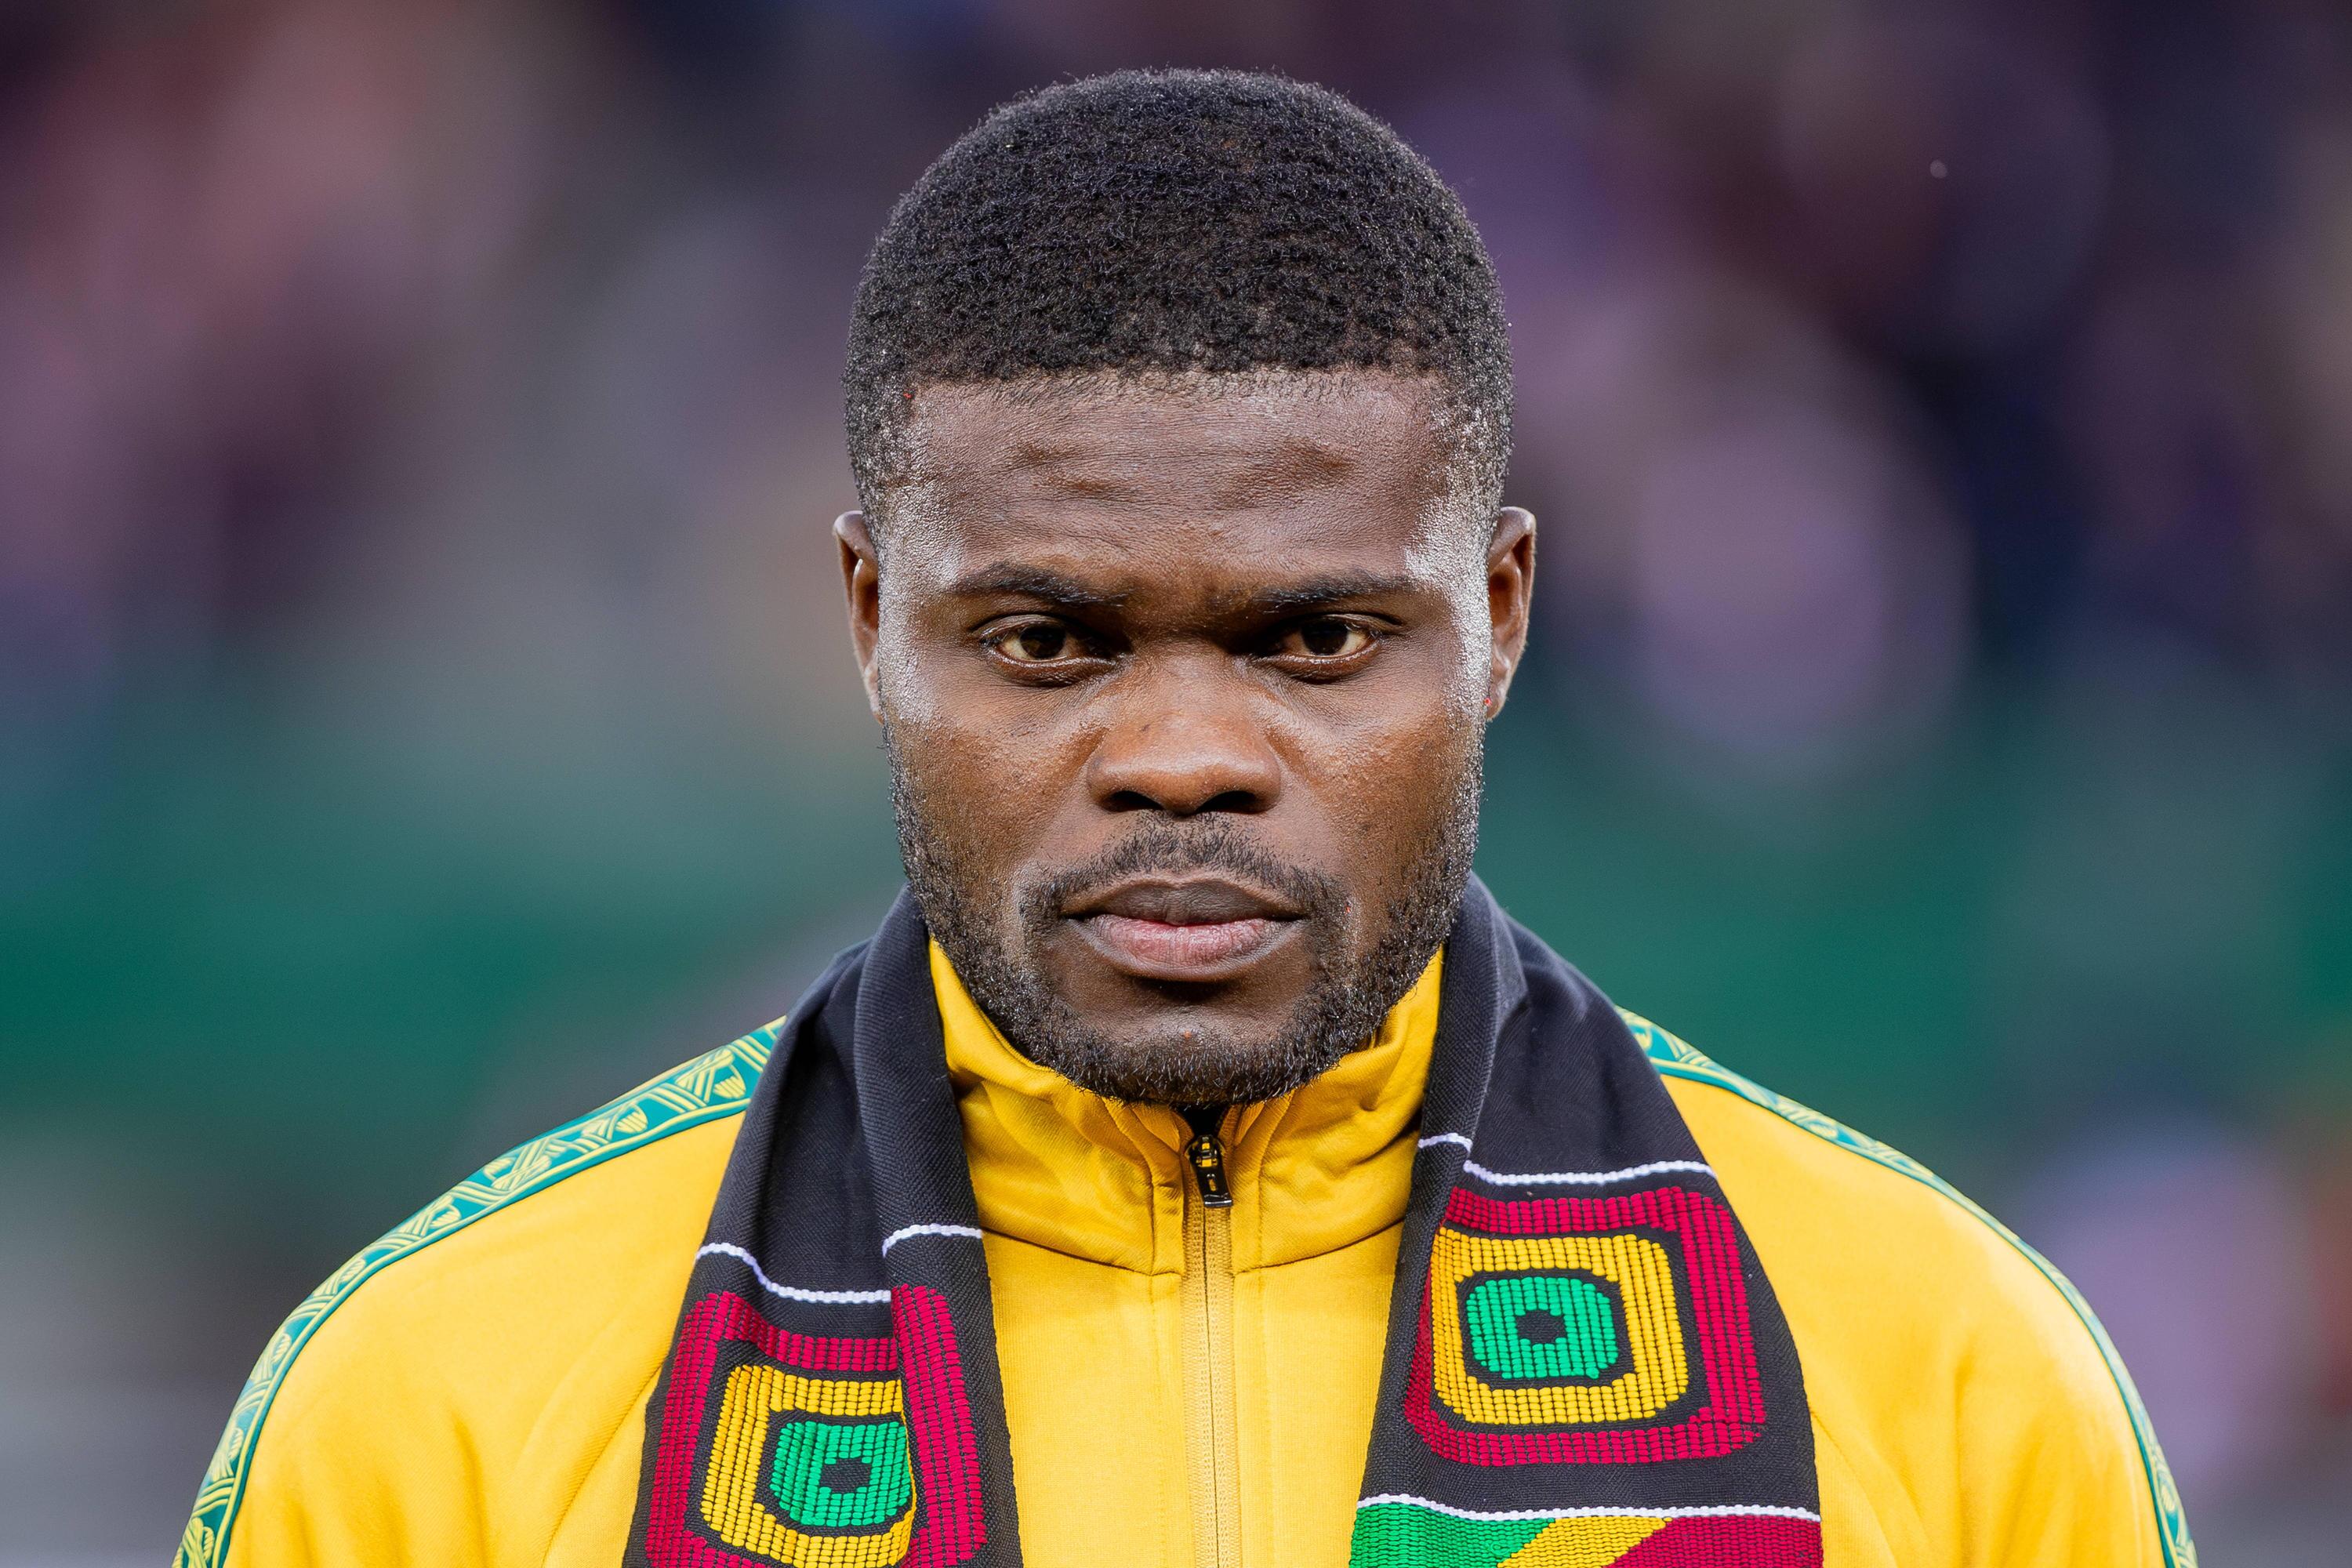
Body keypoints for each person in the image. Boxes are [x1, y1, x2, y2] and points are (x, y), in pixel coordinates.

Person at [176, 70, 2193, 1568]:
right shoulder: (427, 1417)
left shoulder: (1955, 1387)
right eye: (1049, 641)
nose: (1182, 756)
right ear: (871, 623)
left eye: (1313, 639)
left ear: (1498, 617)